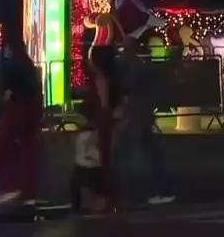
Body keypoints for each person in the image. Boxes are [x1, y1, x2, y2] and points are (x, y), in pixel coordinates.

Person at [116, 37, 174, 205]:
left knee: (145, 153)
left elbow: (127, 86)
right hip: (139, 114)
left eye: (125, 49)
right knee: (149, 153)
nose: (123, 52)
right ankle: (159, 189)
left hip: (138, 115)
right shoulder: (138, 66)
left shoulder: (136, 68)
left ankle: (159, 190)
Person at [0, 40, 43, 206]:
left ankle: (11, 187)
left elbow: (9, 91)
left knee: (4, 146)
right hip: (30, 109)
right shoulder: (28, 65)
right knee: (29, 151)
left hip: (17, 108)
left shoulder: (12, 66)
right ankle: (29, 193)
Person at [86, 45, 121, 213]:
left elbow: (104, 102)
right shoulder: (111, 76)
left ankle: (106, 199)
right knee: (107, 160)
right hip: (108, 119)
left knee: (103, 160)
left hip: (104, 120)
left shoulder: (101, 78)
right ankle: (109, 198)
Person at [70, 101, 105, 215]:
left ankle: (79, 210)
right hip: (89, 167)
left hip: (87, 168)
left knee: (77, 185)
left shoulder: (88, 134)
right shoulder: (90, 133)